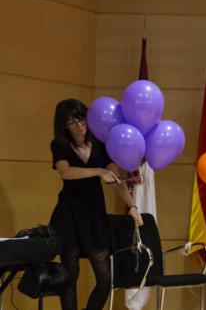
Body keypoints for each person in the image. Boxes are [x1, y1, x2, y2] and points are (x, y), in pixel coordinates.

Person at [49, 99, 143, 310]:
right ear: (64, 125)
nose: (79, 125)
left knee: (105, 279)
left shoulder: (101, 143)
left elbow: (116, 179)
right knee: (70, 276)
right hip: (69, 214)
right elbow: (65, 172)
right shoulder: (60, 145)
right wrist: (99, 171)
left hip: (94, 214)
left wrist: (132, 206)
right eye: (72, 122)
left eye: (81, 119)